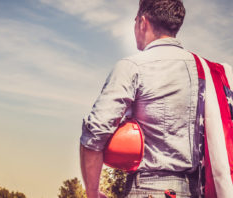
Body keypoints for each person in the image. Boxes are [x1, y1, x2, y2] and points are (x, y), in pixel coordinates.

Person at [79, 0, 204, 197]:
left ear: (142, 22)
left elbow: (95, 133)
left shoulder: (133, 66)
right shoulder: (207, 71)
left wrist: (93, 191)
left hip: (148, 190)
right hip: (199, 190)